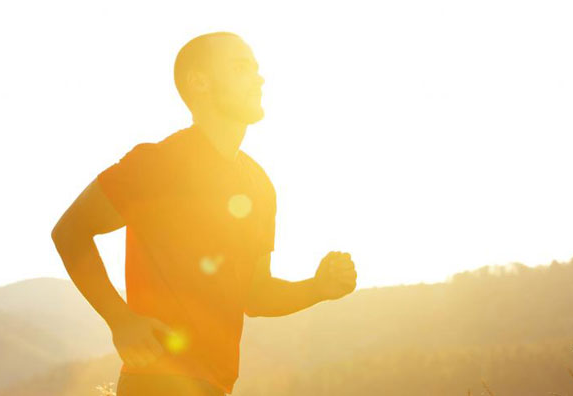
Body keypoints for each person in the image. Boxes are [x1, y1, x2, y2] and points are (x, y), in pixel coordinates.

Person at [51, 32, 357, 396]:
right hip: (156, 383)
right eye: (242, 67)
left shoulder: (259, 185)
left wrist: (317, 288)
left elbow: (255, 296)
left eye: (257, 69)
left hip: (215, 388)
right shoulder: (157, 163)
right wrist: (120, 320)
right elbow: (69, 231)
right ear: (199, 82)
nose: (258, 78)